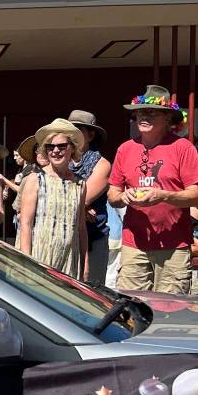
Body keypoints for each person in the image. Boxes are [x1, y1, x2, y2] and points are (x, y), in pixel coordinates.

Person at [107, 84, 198, 294]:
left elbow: (197, 195)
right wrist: (124, 196)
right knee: (131, 306)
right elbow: (112, 193)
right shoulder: (125, 149)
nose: (143, 116)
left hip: (174, 244)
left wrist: (164, 195)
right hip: (134, 243)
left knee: (170, 310)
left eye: (151, 112)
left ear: (168, 118)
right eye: (140, 112)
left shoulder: (183, 148)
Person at [15, 120, 88, 279]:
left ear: (72, 148)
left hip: (69, 261)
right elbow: (25, 223)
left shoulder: (80, 184)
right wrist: (27, 262)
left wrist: (85, 264)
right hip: (39, 258)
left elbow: (81, 228)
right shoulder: (35, 179)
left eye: (61, 146)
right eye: (50, 147)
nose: (56, 151)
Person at [67, 110, 112, 286]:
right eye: (70, 130)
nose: (73, 135)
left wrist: (82, 206)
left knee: (92, 291)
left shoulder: (102, 164)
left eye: (78, 130)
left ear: (91, 135)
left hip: (94, 238)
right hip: (64, 237)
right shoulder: (59, 159)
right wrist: (82, 208)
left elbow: (81, 199)